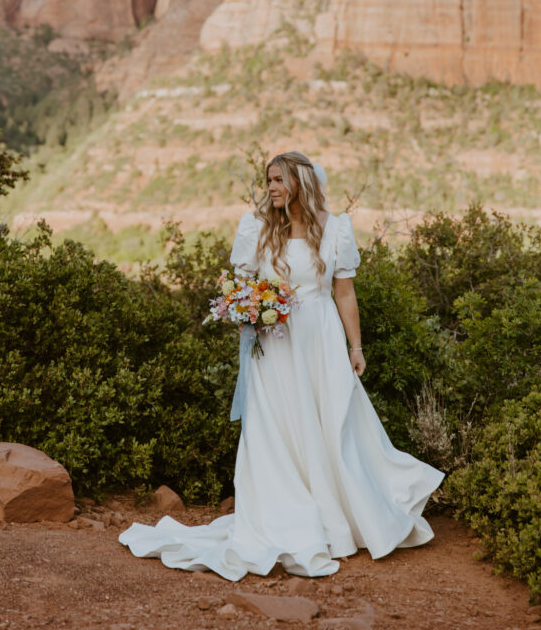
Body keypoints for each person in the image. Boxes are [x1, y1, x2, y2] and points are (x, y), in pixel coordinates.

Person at [119, 151, 444, 580]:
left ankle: (344, 517)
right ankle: (287, 514)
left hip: (321, 342)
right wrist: (250, 312)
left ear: (299, 183)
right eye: (267, 180)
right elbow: (242, 286)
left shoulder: (335, 228)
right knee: (277, 429)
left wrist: (356, 347)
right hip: (274, 347)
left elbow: (344, 293)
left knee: (333, 424)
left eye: (277, 180)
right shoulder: (256, 228)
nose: (270, 187)